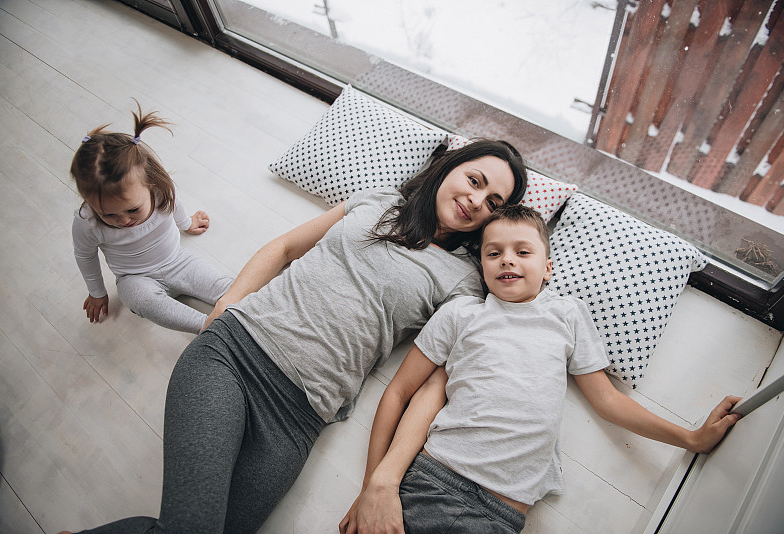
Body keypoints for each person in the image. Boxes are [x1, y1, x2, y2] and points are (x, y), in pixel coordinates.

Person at [59, 138, 529, 534]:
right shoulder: (377, 201)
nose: (476, 200)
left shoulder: (464, 279)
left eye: (493, 203)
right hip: (236, 355)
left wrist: (381, 482)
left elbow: (431, 384)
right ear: (450, 168)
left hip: (299, 417)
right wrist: (226, 308)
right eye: (475, 180)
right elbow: (284, 247)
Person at [340, 204, 742, 534]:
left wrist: (689, 438)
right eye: (493, 253)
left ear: (548, 268)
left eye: (523, 252)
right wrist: (372, 487)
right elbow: (400, 391)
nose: (507, 260)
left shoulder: (566, 316)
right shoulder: (462, 314)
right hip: (431, 478)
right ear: (481, 267)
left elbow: (607, 401)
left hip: (502, 512)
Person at [70, 103, 233, 334]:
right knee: (141, 301)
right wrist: (97, 292)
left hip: (178, 261)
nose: (124, 221)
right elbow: (85, 255)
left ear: (150, 184)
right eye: (108, 214)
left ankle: (252, 312)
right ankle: (209, 329)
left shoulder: (162, 192)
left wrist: (186, 223)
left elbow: (175, 206)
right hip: (134, 278)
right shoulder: (86, 221)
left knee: (228, 287)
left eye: (132, 210)